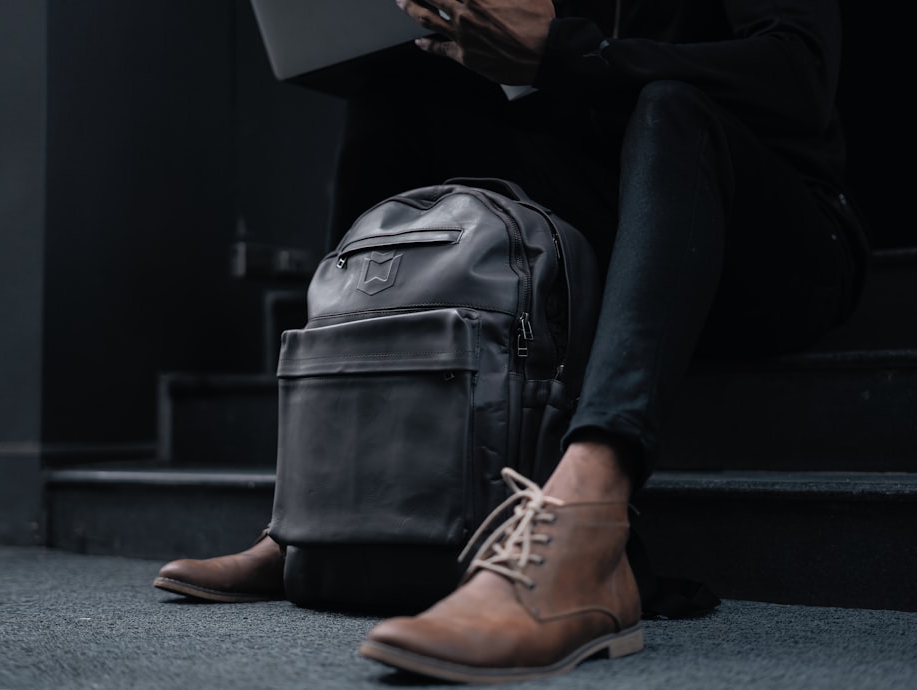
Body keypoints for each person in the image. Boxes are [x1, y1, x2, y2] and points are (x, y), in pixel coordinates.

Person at [154, 0, 869, 682]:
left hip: (776, 243)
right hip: (627, 210)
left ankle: (589, 528)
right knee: (399, 92)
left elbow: (797, 76)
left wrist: (573, 53)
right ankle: (323, 507)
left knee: (672, 106)